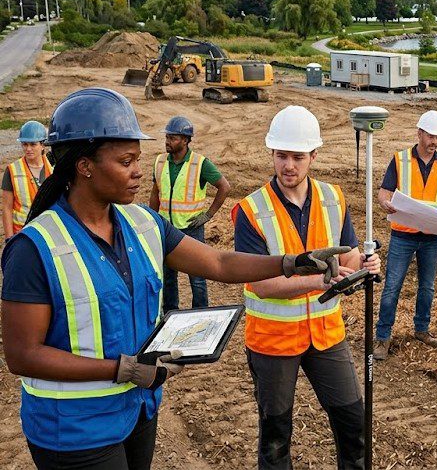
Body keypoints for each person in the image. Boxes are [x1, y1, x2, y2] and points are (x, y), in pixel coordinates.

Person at [1, 88, 348, 470]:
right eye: (126, 161)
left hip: (136, 412)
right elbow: (22, 356)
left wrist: (293, 261)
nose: (139, 171)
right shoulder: (35, 248)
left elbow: (218, 263)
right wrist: (123, 369)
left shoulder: (143, 223)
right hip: (73, 429)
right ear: (85, 166)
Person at [232, 105, 381, 469]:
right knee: (276, 437)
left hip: (327, 335)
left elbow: (347, 256)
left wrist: (364, 264)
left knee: (353, 423)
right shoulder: (251, 210)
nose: (288, 166)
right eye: (281, 156)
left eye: (298, 157)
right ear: (271, 153)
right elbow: (262, 284)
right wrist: (321, 280)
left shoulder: (334, 198)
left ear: (314, 155)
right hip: (274, 340)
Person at [373, 110, 437, 361]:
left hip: (432, 236)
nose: (434, 142)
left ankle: (421, 329)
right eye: (431, 136)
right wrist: (385, 204)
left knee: (427, 288)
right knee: (392, 288)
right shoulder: (399, 160)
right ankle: (383, 337)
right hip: (403, 235)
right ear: (419, 133)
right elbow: (384, 194)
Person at [148, 116, 231, 310]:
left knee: (198, 279)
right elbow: (155, 193)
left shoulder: (200, 164)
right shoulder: (159, 162)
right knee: (168, 277)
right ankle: (170, 313)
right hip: (166, 228)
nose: (168, 141)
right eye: (167, 137)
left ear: (185, 140)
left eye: (173, 138)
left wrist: (208, 215)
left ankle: (200, 312)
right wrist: (152, 219)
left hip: (191, 228)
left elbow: (224, 187)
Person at [2, 120, 53, 240]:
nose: (28, 149)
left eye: (33, 144)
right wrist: (9, 239)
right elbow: (7, 208)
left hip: (49, 232)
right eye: (25, 144)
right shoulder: (12, 171)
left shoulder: (53, 169)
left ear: (42, 145)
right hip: (23, 234)